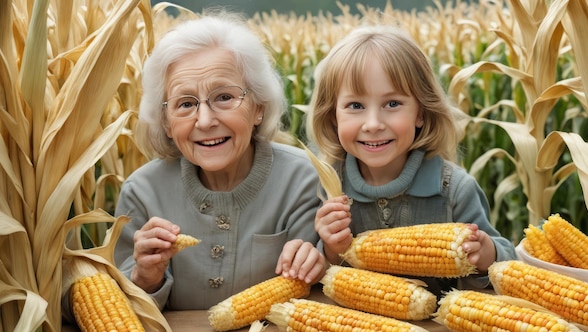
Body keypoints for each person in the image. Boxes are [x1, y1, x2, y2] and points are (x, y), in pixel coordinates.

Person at [113, 11, 327, 310]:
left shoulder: (304, 180)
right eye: (185, 104)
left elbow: (319, 289)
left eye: (224, 97)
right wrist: (144, 277)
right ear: (166, 123)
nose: (204, 120)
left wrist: (317, 264)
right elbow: (117, 305)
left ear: (259, 107)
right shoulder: (142, 192)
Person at [307, 25, 516, 297]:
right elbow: (319, 279)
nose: (372, 124)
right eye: (355, 106)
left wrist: (487, 255)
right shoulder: (326, 189)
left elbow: (508, 267)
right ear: (333, 116)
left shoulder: (454, 190)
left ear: (421, 113)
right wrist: (331, 250)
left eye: (392, 104)